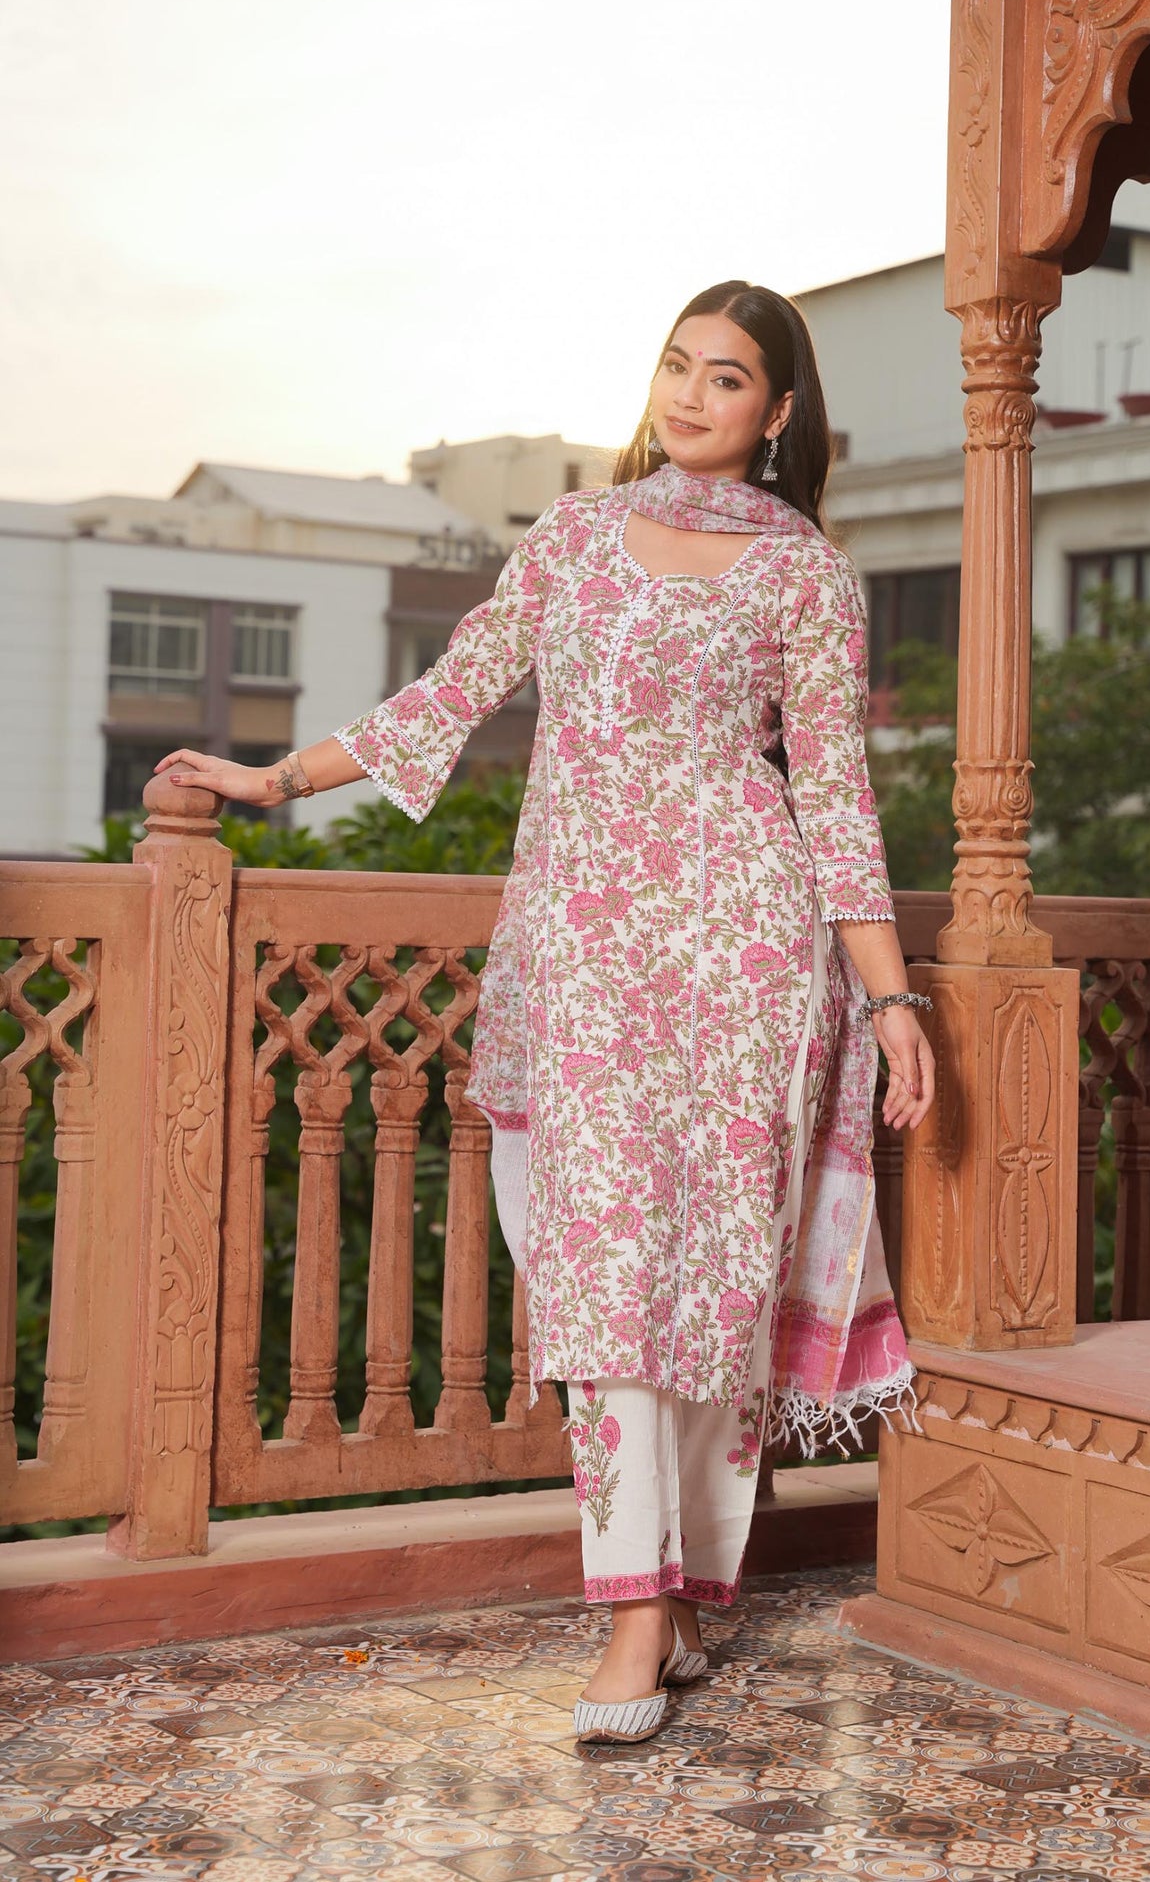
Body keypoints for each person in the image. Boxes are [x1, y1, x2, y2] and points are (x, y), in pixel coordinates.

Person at [158, 279, 934, 1744]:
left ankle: (664, 1605)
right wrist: (273, 780)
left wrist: (886, 996)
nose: (689, 395)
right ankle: (646, 1597)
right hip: (583, 956)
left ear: (776, 411)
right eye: (676, 365)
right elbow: (453, 693)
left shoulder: (802, 575)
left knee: (711, 1281)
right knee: (604, 1272)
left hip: (740, 956)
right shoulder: (573, 535)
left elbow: (832, 792)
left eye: (725, 377)